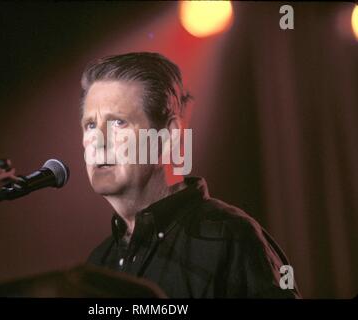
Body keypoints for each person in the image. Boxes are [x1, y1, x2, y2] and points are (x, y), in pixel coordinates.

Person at [80, 52, 300, 298]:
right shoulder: (98, 263)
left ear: (169, 135)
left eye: (118, 123)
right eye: (90, 125)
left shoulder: (230, 238)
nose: (97, 141)